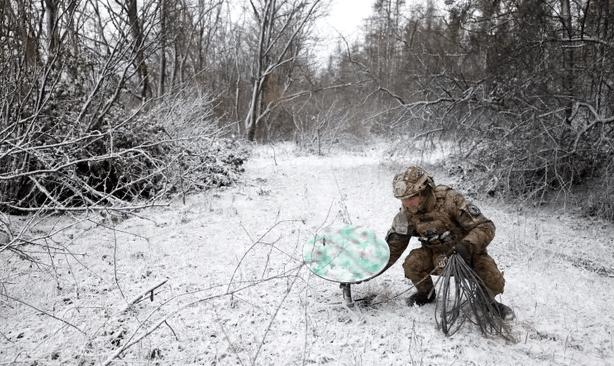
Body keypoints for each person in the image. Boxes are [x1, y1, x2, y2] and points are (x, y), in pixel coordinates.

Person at [383, 165, 514, 320]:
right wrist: (368, 270)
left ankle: (487, 302)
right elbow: (393, 248)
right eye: (403, 200)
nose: (406, 204)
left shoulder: (450, 200)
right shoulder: (406, 214)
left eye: (411, 198)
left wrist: (466, 246)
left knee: (493, 278)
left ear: (424, 191)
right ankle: (426, 294)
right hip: (436, 256)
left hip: (466, 254)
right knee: (412, 262)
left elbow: (486, 226)